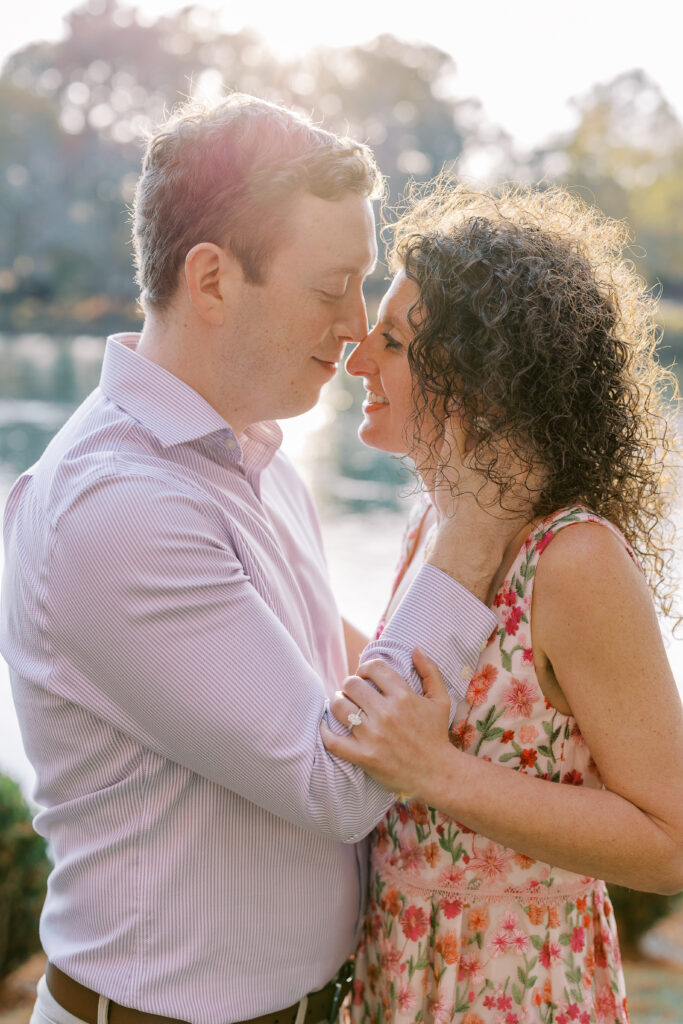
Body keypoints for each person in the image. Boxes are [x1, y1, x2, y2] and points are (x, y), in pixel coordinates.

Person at [0, 97, 520, 1024]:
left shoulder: (248, 451)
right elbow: (334, 781)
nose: (357, 330)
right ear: (210, 281)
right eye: (332, 288)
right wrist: (470, 535)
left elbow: (337, 663)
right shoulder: (119, 510)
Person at [322, 182, 683, 1024]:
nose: (357, 359)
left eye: (396, 341)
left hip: (512, 993)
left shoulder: (571, 559)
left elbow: (672, 840)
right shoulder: (442, 527)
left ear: (481, 376)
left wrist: (438, 774)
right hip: (400, 978)